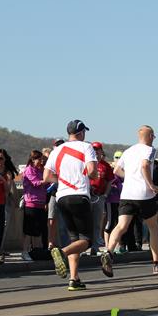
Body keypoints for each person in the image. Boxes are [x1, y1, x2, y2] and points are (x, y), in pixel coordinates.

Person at [101, 126, 158, 277]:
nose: (154, 139)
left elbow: (116, 170)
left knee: (121, 226)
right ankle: (157, 263)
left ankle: (109, 252)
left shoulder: (128, 151)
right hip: (144, 195)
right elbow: (145, 165)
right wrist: (151, 185)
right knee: (153, 227)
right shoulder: (150, 150)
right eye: (153, 136)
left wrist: (131, 178)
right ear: (150, 136)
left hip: (127, 194)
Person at [44, 119, 98, 291]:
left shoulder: (57, 150)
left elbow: (46, 176)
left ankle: (74, 279)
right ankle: (61, 252)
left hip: (61, 197)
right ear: (81, 133)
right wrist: (92, 177)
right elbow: (92, 171)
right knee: (87, 240)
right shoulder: (86, 147)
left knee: (75, 239)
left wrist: (62, 181)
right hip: (79, 196)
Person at [21, 150, 49, 260]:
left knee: (38, 229)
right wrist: (47, 180)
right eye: (39, 159)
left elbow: (45, 186)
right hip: (31, 203)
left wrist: (50, 183)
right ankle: (24, 251)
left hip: (40, 204)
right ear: (33, 159)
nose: (41, 161)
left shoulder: (40, 170)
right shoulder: (29, 170)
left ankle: (36, 251)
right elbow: (36, 183)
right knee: (28, 230)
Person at [89, 142, 113, 255]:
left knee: (97, 223)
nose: (95, 152)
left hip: (99, 197)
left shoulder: (105, 166)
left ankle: (95, 247)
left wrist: (105, 195)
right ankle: (83, 246)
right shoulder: (87, 163)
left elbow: (110, 181)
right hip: (87, 196)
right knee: (85, 222)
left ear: (101, 151)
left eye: (97, 149)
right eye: (93, 149)